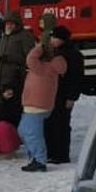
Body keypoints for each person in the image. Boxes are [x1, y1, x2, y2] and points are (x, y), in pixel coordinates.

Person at [17, 26, 68, 172]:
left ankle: (39, 160)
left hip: (36, 104)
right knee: (24, 130)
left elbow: (30, 58)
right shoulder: (55, 64)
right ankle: (35, 157)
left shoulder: (41, 66)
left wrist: (41, 46)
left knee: (32, 133)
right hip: (38, 104)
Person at [47, 26, 85, 165]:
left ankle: (61, 154)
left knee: (61, 124)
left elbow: (76, 78)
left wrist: (72, 97)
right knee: (52, 123)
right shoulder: (56, 53)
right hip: (54, 94)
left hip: (63, 95)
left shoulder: (73, 55)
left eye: (54, 37)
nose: (52, 40)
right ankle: (53, 152)